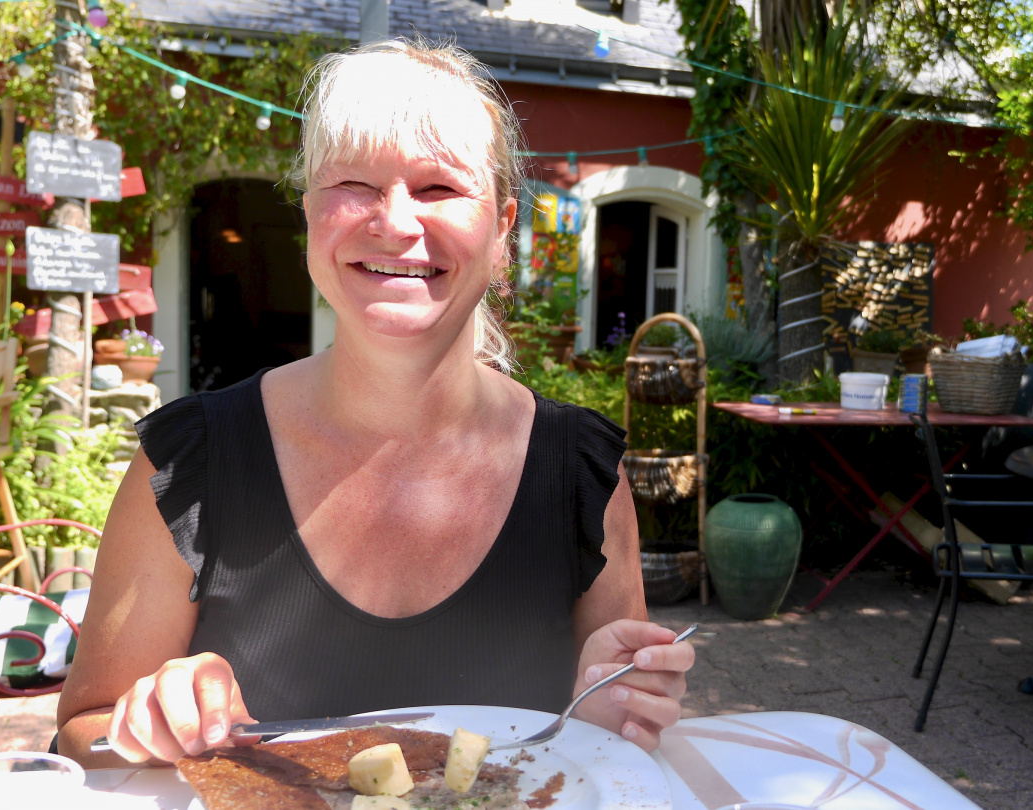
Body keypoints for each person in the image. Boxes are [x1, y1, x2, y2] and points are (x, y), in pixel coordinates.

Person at [55, 40, 695, 767]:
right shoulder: (190, 464)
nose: (394, 223)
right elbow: (83, 731)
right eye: (354, 183)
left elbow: (619, 758)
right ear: (308, 220)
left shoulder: (583, 478)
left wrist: (614, 714)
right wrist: (144, 722)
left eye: (439, 189)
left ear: (502, 233)